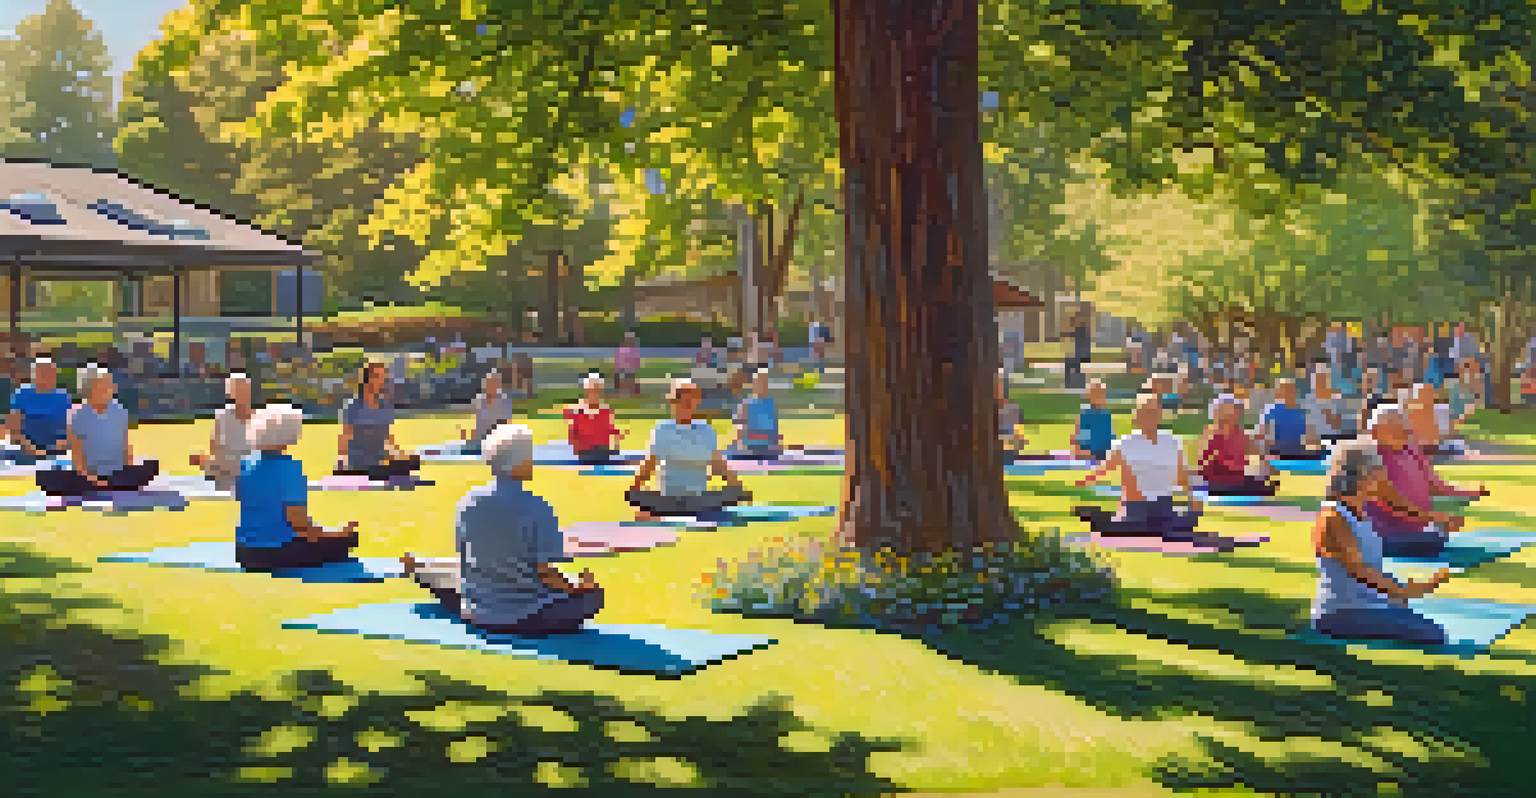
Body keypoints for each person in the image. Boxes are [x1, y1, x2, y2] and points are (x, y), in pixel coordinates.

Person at [401, 423, 602, 636]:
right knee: (592, 597)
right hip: (525, 613)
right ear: (520, 461)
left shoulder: (467, 501)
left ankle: (423, 569)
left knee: (453, 576)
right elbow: (545, 572)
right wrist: (577, 588)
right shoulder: (537, 506)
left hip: (477, 609)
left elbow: (465, 557)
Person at [1309, 441, 1451, 646]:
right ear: (1363, 476)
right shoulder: (1334, 517)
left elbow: (1371, 568)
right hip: (1342, 613)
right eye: (1379, 471)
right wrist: (1406, 591)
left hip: (1368, 604)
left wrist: (1401, 593)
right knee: (1433, 634)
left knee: (1425, 625)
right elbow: (1361, 571)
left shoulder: (1360, 511)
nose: (1384, 477)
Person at [236, 404, 361, 571]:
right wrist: (335, 534)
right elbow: (298, 522)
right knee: (349, 539)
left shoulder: (245, 463)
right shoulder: (290, 467)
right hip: (273, 553)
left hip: (244, 552)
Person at [1363, 404, 1486, 558]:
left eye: (1404, 427)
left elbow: (1434, 484)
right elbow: (1393, 503)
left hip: (1418, 527)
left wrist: (1467, 493)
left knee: (1436, 538)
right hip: (1385, 533)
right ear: (1375, 432)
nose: (1405, 432)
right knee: (1432, 540)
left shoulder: (1411, 449)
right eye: (1396, 428)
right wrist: (1437, 517)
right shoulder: (1371, 458)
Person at [1076, 393, 1201, 536]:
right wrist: (1085, 480)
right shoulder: (1125, 443)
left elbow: (1182, 478)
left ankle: (1113, 521)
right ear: (1137, 417)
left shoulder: (1172, 442)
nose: (1150, 417)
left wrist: (1192, 500)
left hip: (1163, 507)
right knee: (1137, 525)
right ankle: (1110, 520)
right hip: (1136, 506)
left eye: (1154, 412)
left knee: (1179, 525)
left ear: (1160, 415)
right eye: (1146, 412)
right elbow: (1103, 470)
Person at [626, 379, 750, 520]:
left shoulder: (706, 429)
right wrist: (634, 490)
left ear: (696, 403)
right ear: (673, 403)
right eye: (682, 400)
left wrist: (738, 488)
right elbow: (649, 465)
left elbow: (718, 465)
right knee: (644, 498)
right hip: (670, 499)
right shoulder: (663, 429)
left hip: (699, 500)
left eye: (690, 400)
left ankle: (658, 512)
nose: (686, 405)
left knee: (723, 495)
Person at [36, 366, 160, 496]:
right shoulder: (76, 413)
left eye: (109, 383)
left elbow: (125, 445)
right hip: (87, 473)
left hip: (115, 471)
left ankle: (114, 482)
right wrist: (90, 477)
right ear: (89, 388)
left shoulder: (118, 410)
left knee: (149, 465)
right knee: (50, 477)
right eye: (104, 384)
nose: (111, 387)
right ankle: (101, 484)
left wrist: (129, 469)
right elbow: (77, 452)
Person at [335, 362, 421, 480]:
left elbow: (388, 438)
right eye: (377, 376)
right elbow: (346, 435)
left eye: (383, 377)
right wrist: (341, 460)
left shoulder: (386, 406)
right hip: (360, 461)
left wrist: (402, 455)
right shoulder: (353, 406)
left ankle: (383, 468)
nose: (381, 381)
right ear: (366, 380)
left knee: (413, 462)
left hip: (381, 459)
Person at [1195, 394, 1275, 496]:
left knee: (1261, 484)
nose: (1233, 415)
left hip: (1237, 479)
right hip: (1217, 481)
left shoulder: (1241, 434)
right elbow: (1204, 464)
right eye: (1228, 411)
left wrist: (1265, 461)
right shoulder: (1212, 434)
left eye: (1235, 411)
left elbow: (1257, 451)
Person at [189, 373, 255, 494]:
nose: (241, 394)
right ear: (231, 393)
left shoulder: (259, 417)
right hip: (227, 466)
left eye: (244, 390)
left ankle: (212, 468)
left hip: (249, 467)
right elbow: (214, 445)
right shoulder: (222, 415)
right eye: (237, 390)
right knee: (200, 458)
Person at [6, 357, 73, 463]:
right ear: (34, 374)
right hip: (26, 452)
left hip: (57, 453)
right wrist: (30, 447)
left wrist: (58, 446)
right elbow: (13, 430)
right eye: (42, 372)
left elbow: (71, 429)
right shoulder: (21, 395)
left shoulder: (64, 397)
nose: (46, 376)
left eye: (49, 372)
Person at [564, 374, 625, 463]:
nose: (594, 393)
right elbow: (572, 433)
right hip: (585, 452)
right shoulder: (577, 410)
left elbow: (612, 432)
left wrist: (615, 445)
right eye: (592, 390)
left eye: (597, 390)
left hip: (603, 452)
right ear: (586, 391)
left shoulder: (606, 410)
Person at [1260, 379, 1322, 459]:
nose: (1288, 393)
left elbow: (1308, 434)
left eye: (1290, 390)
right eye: (1284, 390)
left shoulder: (1300, 412)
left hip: (1296, 451)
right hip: (1277, 452)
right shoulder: (1273, 411)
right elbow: (1265, 433)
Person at [729, 369, 783, 459]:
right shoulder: (746, 405)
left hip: (767, 448)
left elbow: (774, 430)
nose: (762, 386)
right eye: (759, 383)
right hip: (751, 446)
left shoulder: (771, 405)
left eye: (764, 383)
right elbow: (740, 428)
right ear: (754, 385)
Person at [459, 371, 516, 456]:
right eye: (488, 383)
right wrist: (470, 435)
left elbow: (507, 423)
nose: (490, 386)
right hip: (481, 439)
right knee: (464, 450)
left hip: (497, 438)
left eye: (493, 383)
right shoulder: (480, 400)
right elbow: (479, 425)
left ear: (498, 385)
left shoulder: (504, 400)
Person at [1071, 379, 1113, 462]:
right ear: (1089, 396)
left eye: (1101, 393)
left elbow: (1108, 436)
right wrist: (1079, 450)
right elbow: (1080, 433)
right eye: (1095, 393)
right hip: (1089, 453)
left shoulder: (1106, 414)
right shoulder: (1085, 413)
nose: (1099, 396)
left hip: (1105, 452)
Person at [1303, 370, 1351, 442]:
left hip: (1337, 437)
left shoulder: (1337, 397)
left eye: (1324, 381)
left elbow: (1340, 422)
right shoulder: (1309, 399)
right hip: (1317, 438)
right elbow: (1307, 424)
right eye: (1319, 381)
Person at [615, 332, 640, 397]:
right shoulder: (623, 350)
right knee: (624, 381)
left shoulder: (633, 350)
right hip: (624, 369)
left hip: (629, 370)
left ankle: (629, 392)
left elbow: (636, 362)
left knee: (629, 381)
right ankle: (624, 393)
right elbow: (619, 361)